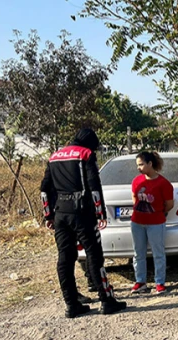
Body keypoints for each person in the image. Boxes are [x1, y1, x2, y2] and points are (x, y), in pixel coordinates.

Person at [40, 128, 127, 318]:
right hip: (83, 213)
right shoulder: (86, 154)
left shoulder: (55, 156)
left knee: (65, 258)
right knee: (94, 255)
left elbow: (44, 189)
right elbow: (94, 186)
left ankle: (72, 305)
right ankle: (107, 301)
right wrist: (100, 213)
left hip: (61, 214)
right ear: (91, 143)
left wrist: (48, 215)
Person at [129, 151, 175, 295]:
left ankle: (159, 282)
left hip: (156, 223)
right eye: (137, 165)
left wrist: (158, 212)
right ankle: (140, 282)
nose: (139, 168)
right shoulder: (136, 181)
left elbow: (169, 204)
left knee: (158, 253)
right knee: (138, 253)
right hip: (137, 222)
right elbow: (134, 199)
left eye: (141, 164)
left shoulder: (163, 183)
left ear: (150, 164)